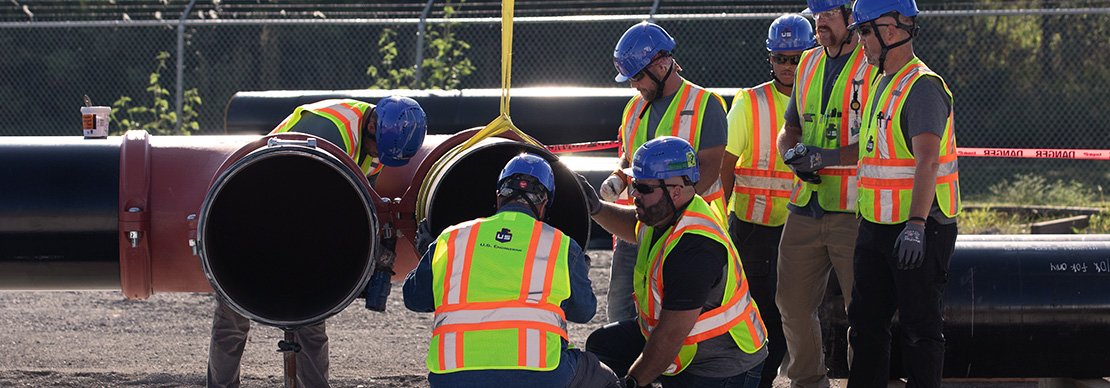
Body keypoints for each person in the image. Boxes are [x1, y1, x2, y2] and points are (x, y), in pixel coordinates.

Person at [207, 96, 428, 388]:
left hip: (303, 229)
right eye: (379, 150)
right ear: (373, 125)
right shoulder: (329, 131)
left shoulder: (376, 143)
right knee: (232, 316)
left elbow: (356, 200)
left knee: (311, 319)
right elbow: (289, 186)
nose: (378, 157)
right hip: (253, 219)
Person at [401, 153, 621, 388]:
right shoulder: (562, 246)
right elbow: (584, 311)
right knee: (602, 378)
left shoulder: (450, 239)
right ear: (544, 204)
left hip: (453, 376)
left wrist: (433, 260)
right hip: (539, 375)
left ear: (498, 197)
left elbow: (414, 299)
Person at [583, 136, 768, 388]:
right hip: (685, 345)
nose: (635, 194)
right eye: (634, 184)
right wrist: (596, 208)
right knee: (603, 345)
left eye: (644, 188)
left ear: (676, 190)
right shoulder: (664, 213)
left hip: (721, 365)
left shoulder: (695, 248)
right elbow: (633, 226)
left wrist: (632, 382)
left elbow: (669, 336)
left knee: (643, 369)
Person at [846, 0, 960, 386]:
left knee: (919, 330)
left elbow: (927, 161)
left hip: (919, 228)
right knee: (865, 325)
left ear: (889, 31)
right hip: (877, 226)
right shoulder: (881, 81)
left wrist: (915, 224)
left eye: (864, 32)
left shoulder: (922, 87)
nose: (860, 41)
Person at [773, 1, 878, 386]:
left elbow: (876, 141)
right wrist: (792, 154)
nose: (820, 23)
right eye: (817, 16)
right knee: (791, 303)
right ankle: (808, 381)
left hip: (853, 209)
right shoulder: (809, 63)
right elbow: (790, 130)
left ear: (852, 20)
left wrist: (827, 157)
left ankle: (864, 381)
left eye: (829, 15)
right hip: (805, 205)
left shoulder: (872, 66)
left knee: (863, 311)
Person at [600, 21, 730, 323]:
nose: (634, 84)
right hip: (639, 226)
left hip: (688, 231)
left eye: (637, 76)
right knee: (620, 308)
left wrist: (667, 213)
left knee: (677, 313)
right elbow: (629, 155)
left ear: (661, 65)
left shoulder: (705, 105)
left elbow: (709, 169)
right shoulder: (634, 108)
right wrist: (618, 177)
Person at [721, 14, 814, 388]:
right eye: (781, 58)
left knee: (800, 312)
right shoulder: (749, 102)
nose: (788, 66)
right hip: (755, 229)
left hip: (806, 224)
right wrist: (719, 222)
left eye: (796, 58)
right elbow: (725, 166)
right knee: (762, 313)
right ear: (770, 59)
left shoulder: (825, 98)